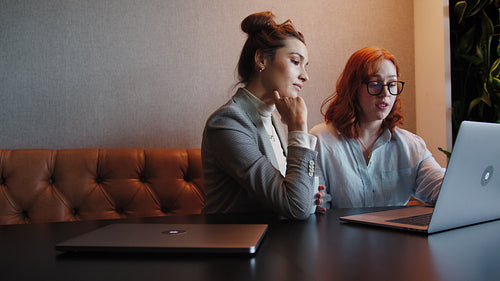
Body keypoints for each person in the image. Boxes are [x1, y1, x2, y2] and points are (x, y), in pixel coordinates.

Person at [201, 11, 325, 220]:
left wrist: (312, 195)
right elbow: (296, 206)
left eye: (305, 66)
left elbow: (303, 197)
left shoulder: (272, 117)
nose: (305, 76)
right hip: (234, 245)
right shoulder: (227, 123)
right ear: (261, 59)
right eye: (296, 61)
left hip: (273, 239)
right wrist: (298, 126)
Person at [310, 46, 444, 208]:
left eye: (392, 84)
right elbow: (318, 209)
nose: (385, 93)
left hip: (394, 234)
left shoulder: (412, 145)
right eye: (375, 84)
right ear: (353, 88)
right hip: (339, 234)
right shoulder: (320, 141)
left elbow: (441, 189)